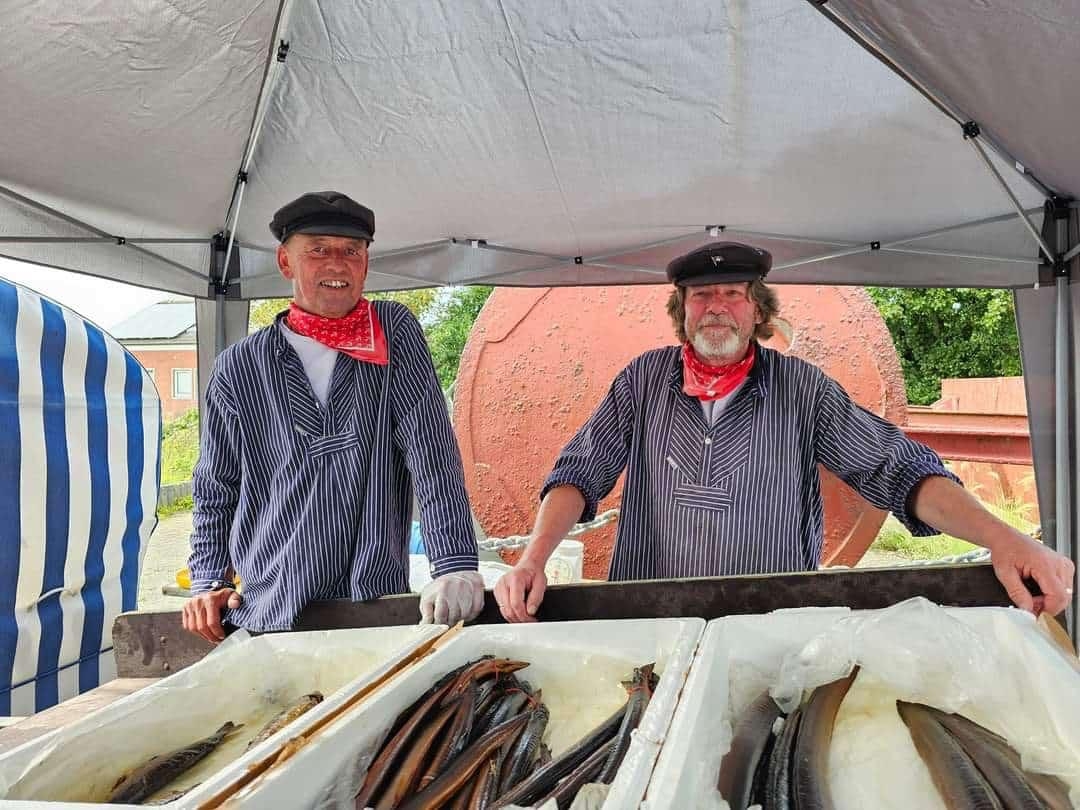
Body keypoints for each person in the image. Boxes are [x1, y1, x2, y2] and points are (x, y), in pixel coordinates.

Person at [494, 242, 1076, 622]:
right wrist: (532, 559)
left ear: (757, 310)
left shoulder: (803, 389)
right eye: (701, 295)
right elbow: (578, 472)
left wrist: (1005, 539)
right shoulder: (642, 381)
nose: (716, 307)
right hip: (651, 618)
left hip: (771, 621)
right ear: (683, 310)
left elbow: (898, 470)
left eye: (732, 294)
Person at [182, 191, 484, 642]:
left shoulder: (392, 331)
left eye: (351, 251)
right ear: (286, 262)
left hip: (373, 602)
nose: (337, 265)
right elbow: (216, 485)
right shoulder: (239, 366)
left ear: (365, 262)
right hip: (270, 606)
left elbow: (431, 452)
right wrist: (209, 581)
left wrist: (455, 563)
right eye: (318, 250)